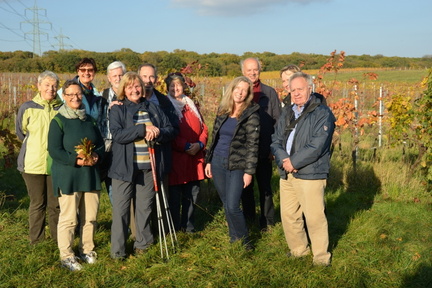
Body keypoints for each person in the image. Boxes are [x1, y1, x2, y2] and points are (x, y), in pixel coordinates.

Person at [271, 72, 335, 266]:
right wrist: (284, 160)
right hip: (287, 172)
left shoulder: (322, 113)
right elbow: (275, 140)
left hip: (310, 173)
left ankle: (321, 258)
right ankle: (299, 250)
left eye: (300, 89)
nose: (296, 93)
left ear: (310, 88)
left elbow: (318, 145)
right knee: (289, 215)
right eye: (293, 90)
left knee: (314, 217)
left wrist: (294, 162)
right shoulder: (287, 112)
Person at [109, 72, 175, 260]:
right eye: (129, 87)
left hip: (149, 167)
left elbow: (169, 130)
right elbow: (118, 135)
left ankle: (143, 245)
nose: (134, 90)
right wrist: (142, 129)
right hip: (124, 169)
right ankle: (118, 251)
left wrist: (158, 132)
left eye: (137, 86)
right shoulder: (118, 109)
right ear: (123, 89)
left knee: (144, 208)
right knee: (121, 210)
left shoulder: (153, 108)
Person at [48, 80, 105, 271]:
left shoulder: (89, 119)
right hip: (69, 176)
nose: (75, 97)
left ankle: (87, 250)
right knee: (69, 218)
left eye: (78, 94)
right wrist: (76, 160)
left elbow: (101, 144)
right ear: (64, 97)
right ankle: (67, 256)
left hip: (90, 174)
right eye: (70, 94)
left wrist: (96, 155)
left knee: (90, 217)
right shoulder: (58, 121)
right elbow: (54, 150)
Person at [204, 76, 260, 247]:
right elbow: (215, 137)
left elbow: (253, 145)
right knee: (226, 203)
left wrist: (249, 172)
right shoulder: (223, 109)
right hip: (218, 161)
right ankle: (234, 238)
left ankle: (245, 242)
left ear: (248, 94)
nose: (240, 92)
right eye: (238, 88)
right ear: (232, 89)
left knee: (233, 205)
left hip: (238, 164)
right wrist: (208, 161)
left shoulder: (251, 113)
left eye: (244, 90)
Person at [16, 71, 63, 245]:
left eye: (54, 85)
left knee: (55, 205)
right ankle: (37, 241)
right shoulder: (27, 107)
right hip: (32, 164)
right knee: (37, 204)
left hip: (56, 165)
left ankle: (59, 240)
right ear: (39, 86)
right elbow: (21, 133)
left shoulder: (62, 108)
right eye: (47, 85)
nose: (51, 89)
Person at [240, 57, 281, 230]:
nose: (252, 73)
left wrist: (274, 148)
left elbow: (278, 121)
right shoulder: (238, 92)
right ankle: (249, 219)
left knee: (265, 187)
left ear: (260, 70)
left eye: (255, 69)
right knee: (245, 187)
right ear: (243, 72)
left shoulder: (269, 93)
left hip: (264, 148)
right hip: (243, 151)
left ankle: (267, 222)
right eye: (249, 70)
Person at [165, 72, 208, 233]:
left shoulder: (191, 104)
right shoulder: (167, 106)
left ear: (183, 86)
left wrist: (201, 143)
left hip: (195, 158)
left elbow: (204, 127)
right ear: (167, 88)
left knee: (193, 193)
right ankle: (175, 227)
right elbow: (170, 132)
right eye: (172, 85)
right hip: (178, 159)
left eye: (178, 85)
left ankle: (189, 225)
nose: (176, 88)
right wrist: (186, 146)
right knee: (175, 196)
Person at [59, 57, 108, 139]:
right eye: (83, 70)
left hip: (90, 140)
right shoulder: (65, 91)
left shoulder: (97, 96)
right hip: (71, 137)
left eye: (90, 70)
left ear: (94, 72)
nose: (87, 73)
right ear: (78, 71)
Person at [101, 61, 126, 204]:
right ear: (109, 78)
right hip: (107, 146)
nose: (117, 78)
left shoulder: (131, 94)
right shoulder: (102, 96)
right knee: (110, 185)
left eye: (120, 75)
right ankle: (120, 221)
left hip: (124, 146)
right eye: (114, 76)